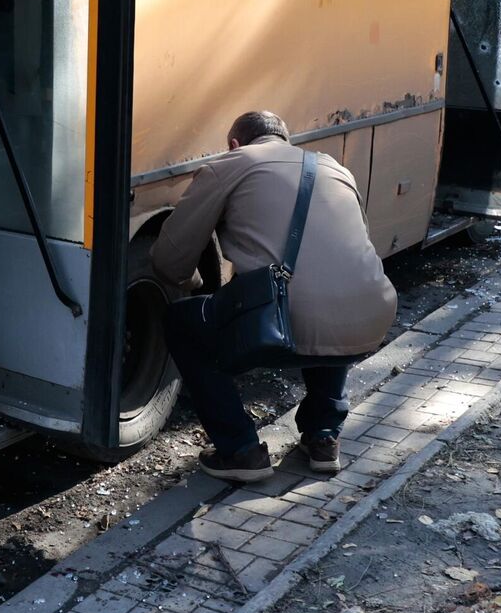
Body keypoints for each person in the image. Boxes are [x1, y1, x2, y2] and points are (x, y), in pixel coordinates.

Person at [151, 111, 398, 482]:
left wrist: (195, 281)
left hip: (293, 317)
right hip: (373, 313)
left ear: (235, 144)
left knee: (182, 322)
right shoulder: (334, 168)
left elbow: (169, 259)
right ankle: (323, 436)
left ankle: (241, 450)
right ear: (287, 139)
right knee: (324, 300)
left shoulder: (233, 163)